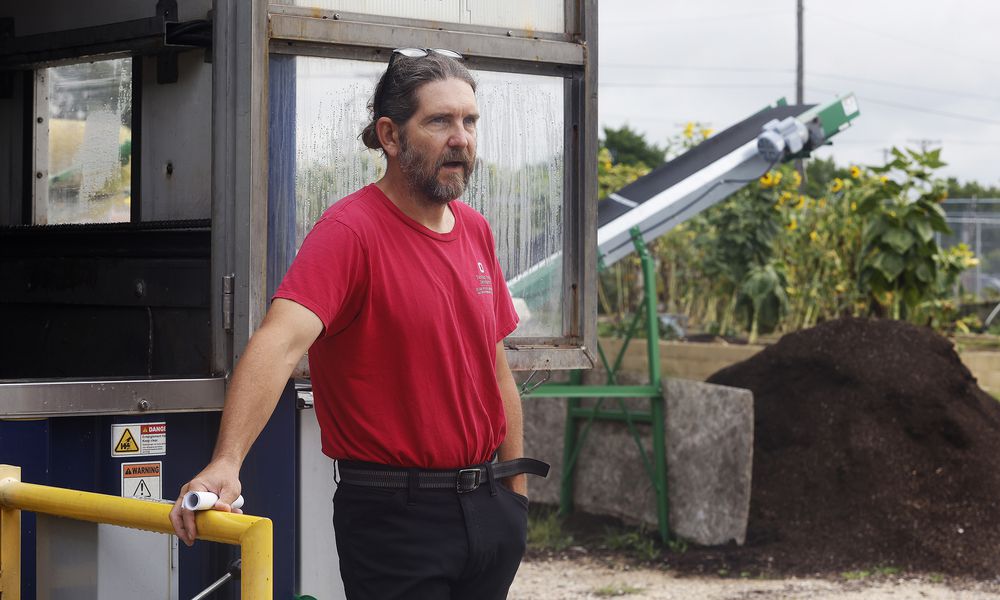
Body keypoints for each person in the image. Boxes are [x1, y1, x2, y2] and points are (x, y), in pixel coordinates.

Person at [168, 47, 548, 599]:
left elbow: (494, 365)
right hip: (398, 515)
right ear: (391, 136)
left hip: (490, 509)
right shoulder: (349, 231)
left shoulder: (475, 230)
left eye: (469, 121)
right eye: (439, 121)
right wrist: (227, 461)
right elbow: (276, 344)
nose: (461, 138)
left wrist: (513, 489)